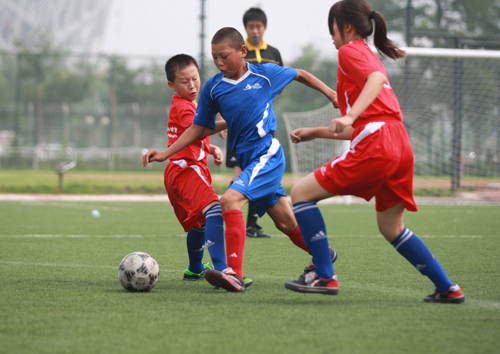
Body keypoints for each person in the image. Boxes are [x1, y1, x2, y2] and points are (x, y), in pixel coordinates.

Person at [284, 0, 465, 303]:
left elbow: (376, 82)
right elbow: (374, 118)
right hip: (398, 142)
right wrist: (318, 132)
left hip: (378, 142)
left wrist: (350, 116)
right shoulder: (367, 52)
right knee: (391, 227)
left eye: (332, 26)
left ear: (347, 27)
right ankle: (447, 287)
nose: (331, 34)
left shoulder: (349, 50)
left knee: (301, 194)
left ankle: (324, 276)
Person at [143, 27, 338, 293]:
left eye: (224, 56)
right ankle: (322, 255)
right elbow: (200, 128)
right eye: (214, 58)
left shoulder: (264, 74)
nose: (219, 63)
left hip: (267, 153)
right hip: (249, 161)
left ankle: (233, 273)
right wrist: (165, 153)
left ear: (242, 51)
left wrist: (332, 94)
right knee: (285, 222)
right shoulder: (213, 87)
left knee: (228, 201)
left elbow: (300, 74)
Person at [158, 54, 252, 286]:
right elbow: (197, 130)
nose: (192, 86)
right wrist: (232, 121)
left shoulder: (183, 105)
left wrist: (212, 150)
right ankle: (223, 268)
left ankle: (195, 268)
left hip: (177, 172)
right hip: (187, 171)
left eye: (195, 79)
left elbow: (188, 138)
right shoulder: (185, 107)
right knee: (215, 211)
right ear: (172, 85)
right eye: (184, 82)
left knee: (199, 223)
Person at [221, 7, 284, 239]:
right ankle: (228, 215)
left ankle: (251, 225)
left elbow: (281, 82)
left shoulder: (274, 53)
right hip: (240, 125)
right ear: (245, 29)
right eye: (251, 27)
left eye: (259, 26)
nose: (255, 30)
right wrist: (223, 118)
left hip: (263, 125)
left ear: (264, 27)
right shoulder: (239, 53)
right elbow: (226, 86)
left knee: (257, 172)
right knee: (240, 172)